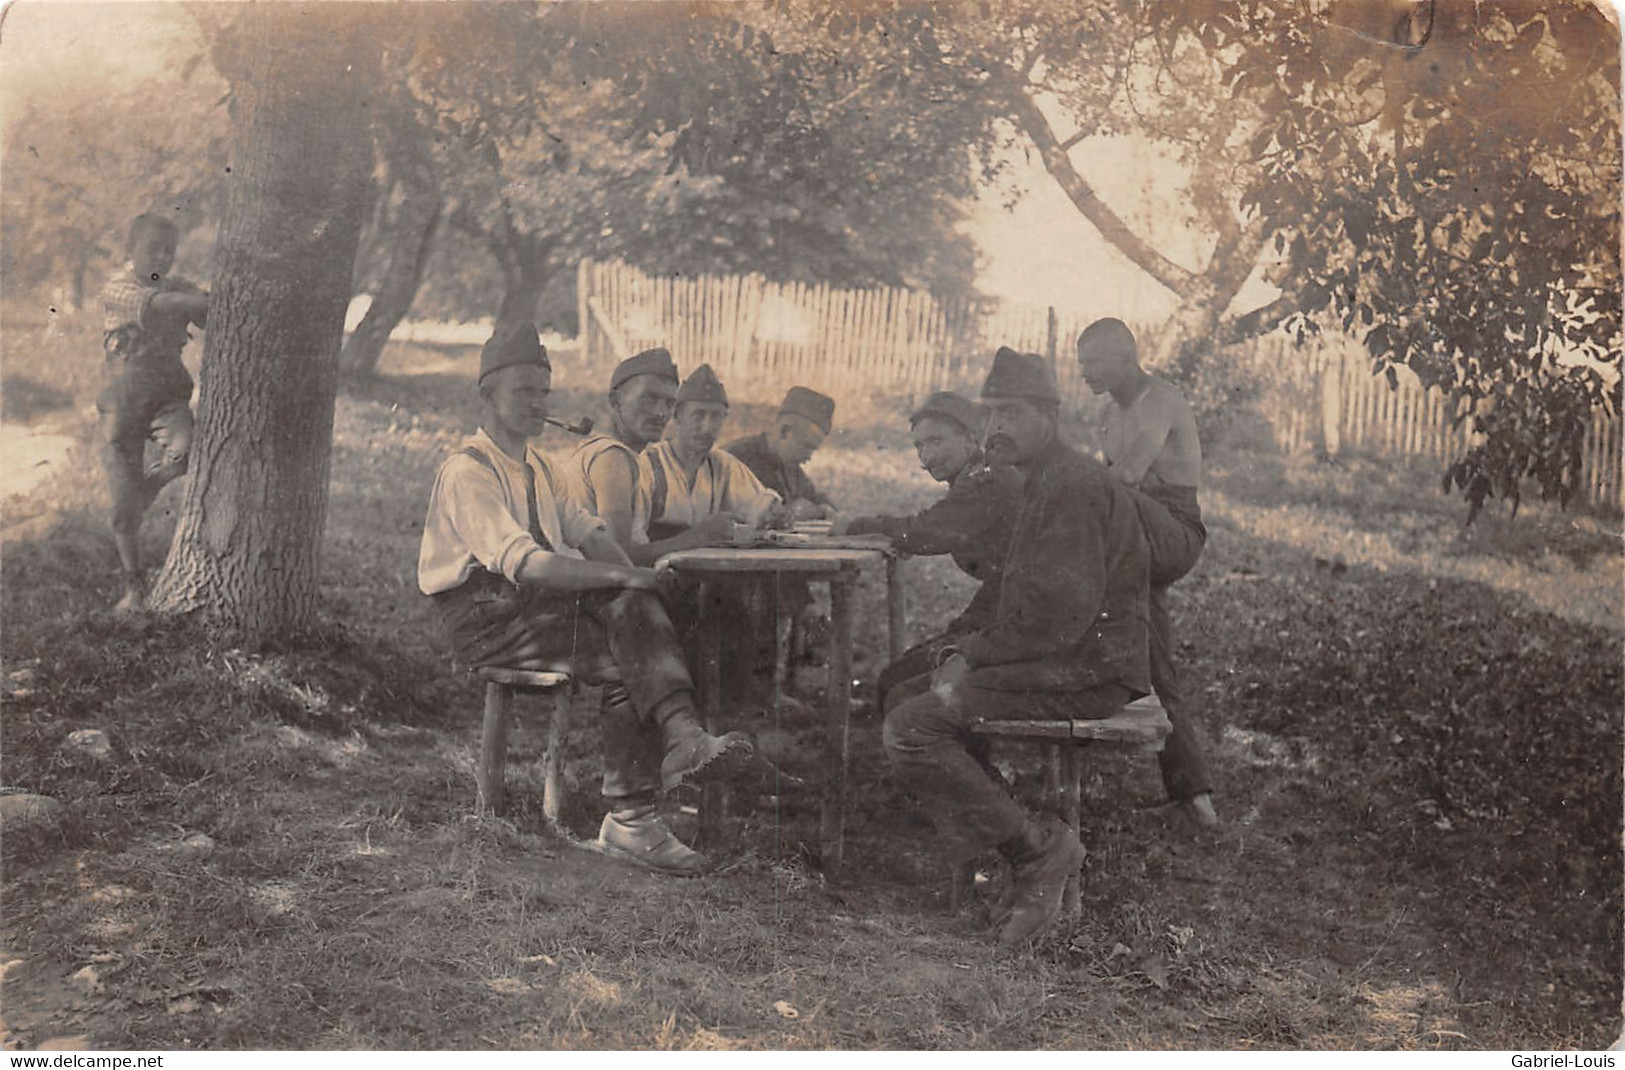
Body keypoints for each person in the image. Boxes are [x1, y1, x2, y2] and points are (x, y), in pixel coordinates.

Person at [418, 322, 754, 876]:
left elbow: (589, 531)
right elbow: (524, 562)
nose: (537, 403)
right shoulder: (467, 470)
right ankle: (639, 809)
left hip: (532, 604)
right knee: (631, 639)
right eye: (524, 391)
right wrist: (626, 581)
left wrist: (629, 577)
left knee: (639, 621)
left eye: (544, 392)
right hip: (486, 617)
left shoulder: (542, 466)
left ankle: (673, 756)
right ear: (487, 395)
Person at [883, 348, 1151, 947]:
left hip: (1092, 666)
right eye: (991, 414)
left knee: (912, 725)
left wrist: (973, 655)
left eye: (1010, 413)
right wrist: (965, 646)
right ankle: (1014, 850)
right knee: (911, 690)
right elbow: (1022, 599)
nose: (996, 427)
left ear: (1047, 420)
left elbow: (1059, 618)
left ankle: (1036, 853)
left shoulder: (1071, 486)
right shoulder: (1041, 478)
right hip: (1066, 655)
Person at [1075, 318, 1218, 830]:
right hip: (1133, 539)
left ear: (1124, 357)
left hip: (1173, 531)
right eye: (1080, 363)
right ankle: (1194, 796)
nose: (1084, 373)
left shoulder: (1162, 398)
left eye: (1092, 362)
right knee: (1156, 660)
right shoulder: (1109, 415)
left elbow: (1124, 479)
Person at [841, 391, 1022, 711]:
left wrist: (858, 526)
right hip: (1004, 602)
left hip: (1023, 612)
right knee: (902, 674)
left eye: (936, 442)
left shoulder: (986, 480)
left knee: (900, 684)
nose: (926, 456)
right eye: (919, 446)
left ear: (970, 438)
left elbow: (929, 531)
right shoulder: (977, 475)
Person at [98, 213, 210, 611]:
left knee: (183, 453)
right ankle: (134, 587)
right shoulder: (118, 288)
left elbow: (208, 309)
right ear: (131, 251)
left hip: (167, 396)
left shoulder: (178, 284)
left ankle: (148, 488)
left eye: (169, 251)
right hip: (123, 402)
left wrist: (205, 303)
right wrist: (196, 302)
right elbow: (167, 303)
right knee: (123, 510)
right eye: (152, 250)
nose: (162, 258)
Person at [637, 364, 787, 544]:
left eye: (716, 417)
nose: (707, 427)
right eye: (698, 415)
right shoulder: (648, 465)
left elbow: (761, 506)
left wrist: (772, 513)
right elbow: (632, 545)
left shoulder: (722, 465)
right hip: (655, 568)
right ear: (677, 416)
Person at [723, 386, 838, 521]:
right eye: (807, 447)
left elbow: (818, 500)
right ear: (784, 432)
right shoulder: (737, 458)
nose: (809, 457)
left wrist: (824, 509)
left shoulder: (790, 467)